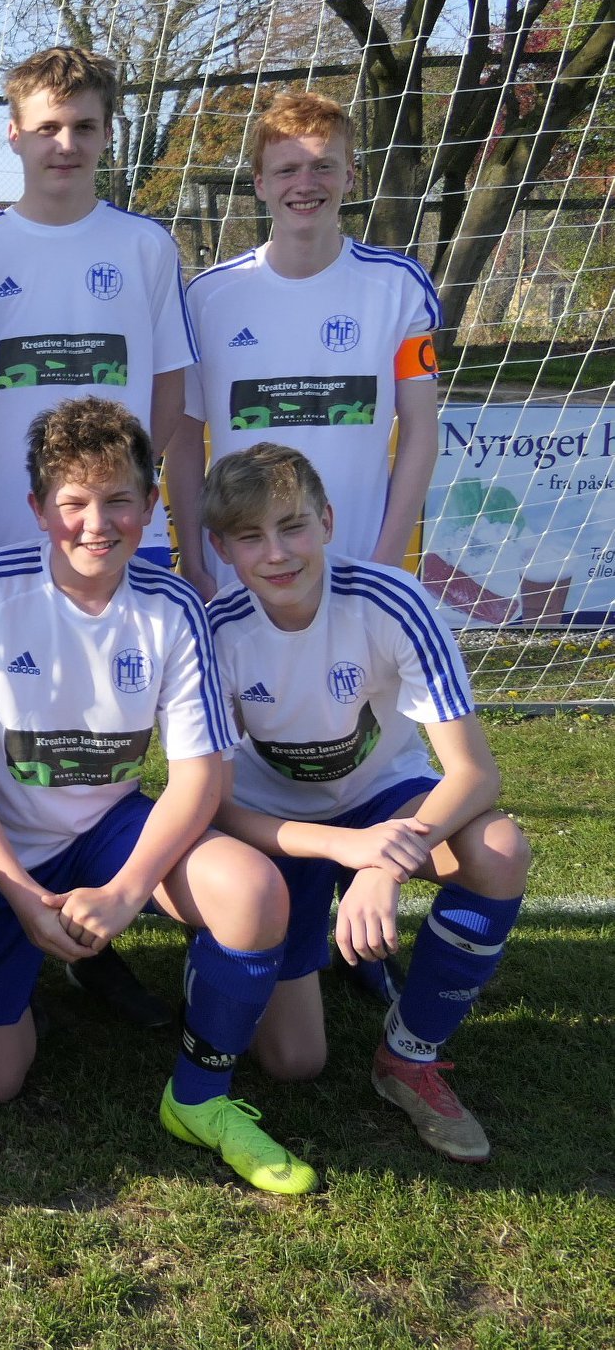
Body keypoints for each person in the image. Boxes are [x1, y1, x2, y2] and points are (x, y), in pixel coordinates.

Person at [0, 397, 314, 1194]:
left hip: (107, 832)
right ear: (37, 509)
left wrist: (128, 891)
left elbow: (201, 774)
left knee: (251, 890)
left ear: (151, 504)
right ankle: (23, 962)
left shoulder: (171, 606)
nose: (95, 524)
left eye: (118, 500)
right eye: (72, 503)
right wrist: (17, 891)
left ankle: (198, 1095)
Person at [0, 44, 199, 1029]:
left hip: (121, 541)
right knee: (6, 747)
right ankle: (6, 911)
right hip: (6, 542)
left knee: (106, 739)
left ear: (106, 134)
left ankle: (102, 928)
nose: (65, 142)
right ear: (13, 133)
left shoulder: (143, 246)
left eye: (84, 125)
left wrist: (131, 503)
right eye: (46, 125)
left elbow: (167, 392)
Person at [167, 91, 442, 1008]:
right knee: (256, 750)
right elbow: (184, 440)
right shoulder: (210, 297)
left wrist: (387, 558)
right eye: (286, 166)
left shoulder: (396, 287)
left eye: (323, 164)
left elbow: (418, 431)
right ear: (256, 183)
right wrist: (195, 557)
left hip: (356, 580)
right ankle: (249, 921)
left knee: (361, 742)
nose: (305, 181)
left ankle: (363, 913)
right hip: (252, 576)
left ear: (351, 175)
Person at [201, 443, 527, 1163]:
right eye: (250, 536)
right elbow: (214, 807)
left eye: (291, 526)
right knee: (294, 1062)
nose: (276, 552)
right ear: (221, 549)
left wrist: (381, 864)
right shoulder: (215, 632)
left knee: (498, 850)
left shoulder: (392, 600)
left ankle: (409, 1056)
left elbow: (475, 775)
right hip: (275, 827)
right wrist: (343, 849)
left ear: (325, 521)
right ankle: (227, 946)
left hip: (385, 800)